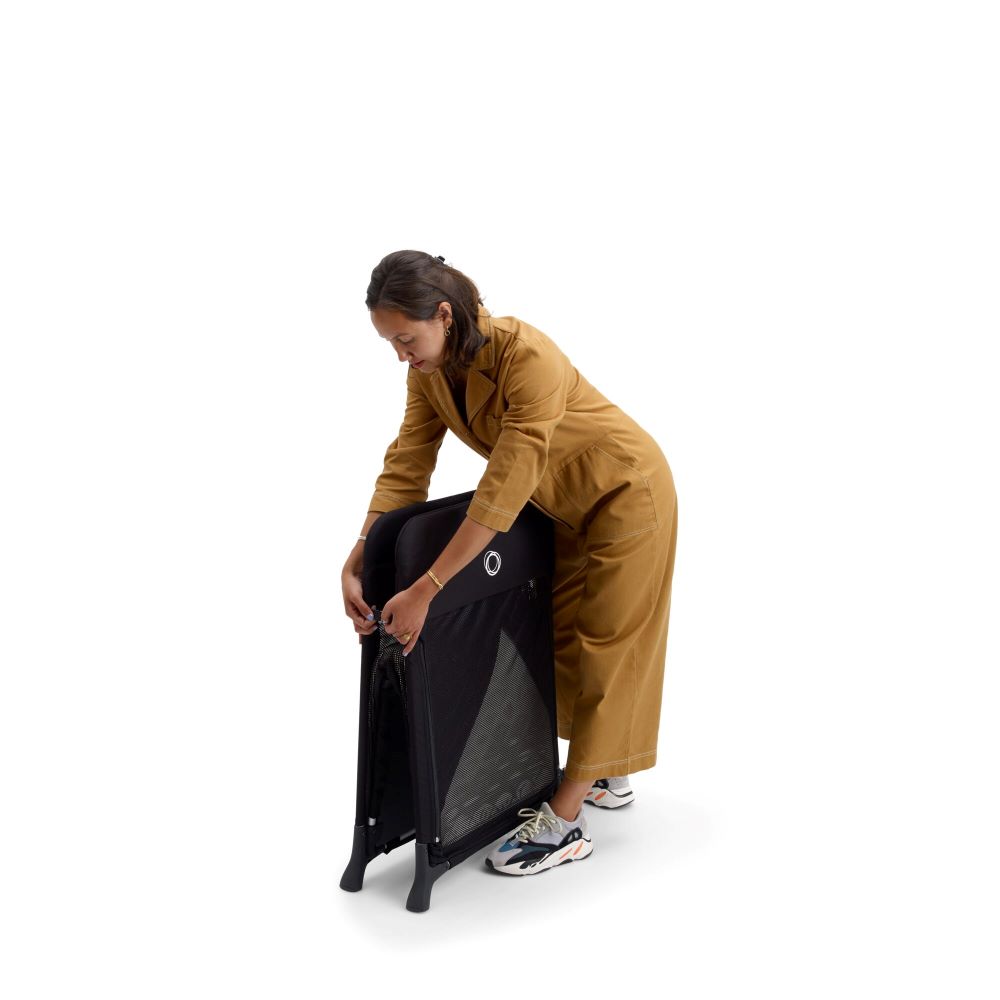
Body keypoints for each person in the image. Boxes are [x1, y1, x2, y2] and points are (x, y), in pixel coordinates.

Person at [340, 250, 678, 877]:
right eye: (390, 343)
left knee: (610, 646)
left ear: (444, 316)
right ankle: (605, 772)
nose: (401, 355)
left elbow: (503, 487)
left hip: (625, 495)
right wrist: (361, 552)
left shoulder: (528, 358)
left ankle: (567, 823)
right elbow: (408, 461)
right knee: (560, 639)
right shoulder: (429, 373)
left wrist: (429, 588)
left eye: (406, 339)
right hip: (561, 508)